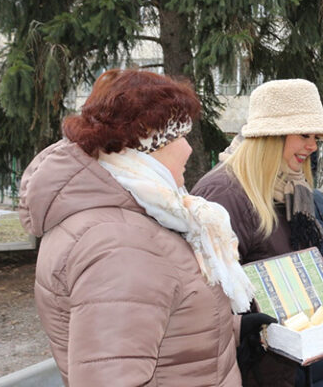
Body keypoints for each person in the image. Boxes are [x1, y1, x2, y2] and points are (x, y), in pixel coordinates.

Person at [19, 69, 273, 386]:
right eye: (179, 136)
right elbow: (112, 375)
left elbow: (153, 329)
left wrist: (233, 331)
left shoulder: (139, 216)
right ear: (147, 143)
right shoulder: (121, 244)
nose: (189, 149)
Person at [191, 79, 323, 387]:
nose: (313, 146)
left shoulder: (296, 188)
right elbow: (202, 296)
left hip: (306, 363)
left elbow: (315, 255)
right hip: (257, 371)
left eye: (316, 137)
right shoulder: (224, 194)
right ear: (271, 137)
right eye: (304, 135)